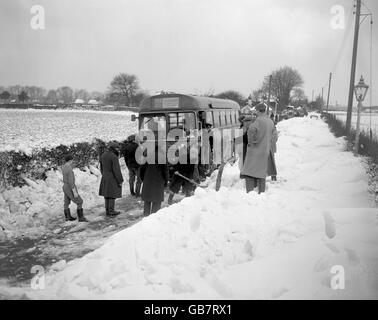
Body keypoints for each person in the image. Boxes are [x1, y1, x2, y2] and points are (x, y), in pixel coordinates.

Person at [241, 102, 277, 194]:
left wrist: (250, 143)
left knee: (249, 173)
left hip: (255, 151)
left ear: (258, 110)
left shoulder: (258, 121)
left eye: (255, 111)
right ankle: (262, 193)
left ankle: (250, 194)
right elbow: (275, 137)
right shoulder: (270, 121)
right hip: (265, 151)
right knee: (261, 174)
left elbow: (251, 131)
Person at [140, 144, 169, 216]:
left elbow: (141, 168)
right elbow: (165, 169)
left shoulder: (145, 154)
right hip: (158, 179)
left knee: (147, 199)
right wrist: (166, 180)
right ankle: (154, 216)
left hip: (147, 178)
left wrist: (143, 178)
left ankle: (146, 215)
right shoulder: (162, 155)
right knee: (157, 199)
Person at [99, 141, 124, 216]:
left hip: (105, 176)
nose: (118, 150)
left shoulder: (103, 155)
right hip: (112, 177)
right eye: (117, 148)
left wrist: (104, 174)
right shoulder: (114, 156)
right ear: (114, 148)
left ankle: (107, 210)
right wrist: (120, 180)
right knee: (112, 195)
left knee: (107, 194)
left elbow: (101, 167)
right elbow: (116, 170)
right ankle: (111, 211)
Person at [61, 153, 87, 222]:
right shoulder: (69, 169)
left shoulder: (64, 167)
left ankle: (68, 217)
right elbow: (71, 182)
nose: (72, 161)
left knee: (66, 202)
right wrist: (74, 192)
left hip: (65, 186)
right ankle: (81, 218)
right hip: (69, 187)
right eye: (72, 160)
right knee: (80, 201)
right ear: (70, 160)